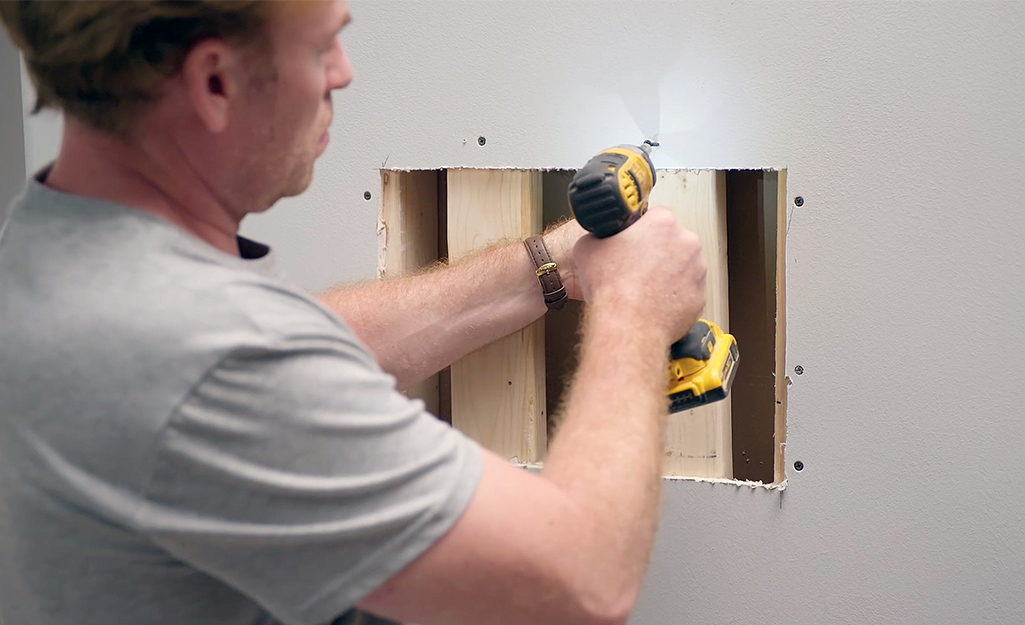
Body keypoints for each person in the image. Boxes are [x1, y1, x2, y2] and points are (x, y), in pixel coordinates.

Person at [0, 2, 707, 624]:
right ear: (215, 82)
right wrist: (636, 310)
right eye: (319, 48)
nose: (342, 72)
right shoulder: (207, 357)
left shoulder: (50, 250)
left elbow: (300, 351)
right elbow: (582, 581)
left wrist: (556, 263)